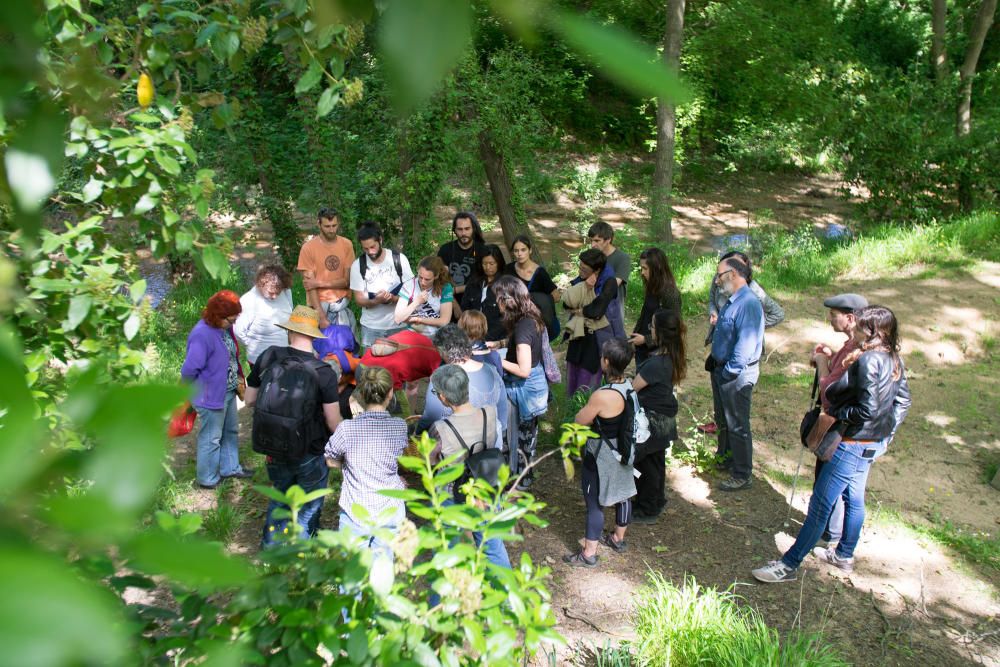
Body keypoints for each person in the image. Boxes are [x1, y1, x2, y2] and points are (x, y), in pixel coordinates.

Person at [752, 305, 911, 583]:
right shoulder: (893, 358)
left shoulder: (869, 360)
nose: (856, 329)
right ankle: (844, 555)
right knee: (854, 498)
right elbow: (902, 401)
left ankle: (788, 565)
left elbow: (867, 410)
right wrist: (884, 435)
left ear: (871, 331)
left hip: (851, 443)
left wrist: (839, 415)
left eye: (860, 326)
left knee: (821, 504)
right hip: (868, 443)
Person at [244, 306, 340, 546]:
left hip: (272, 445)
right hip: (309, 450)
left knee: (280, 496)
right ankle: (303, 552)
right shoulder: (324, 372)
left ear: (290, 332)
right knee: (309, 503)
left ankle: (271, 551)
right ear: (314, 335)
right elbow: (332, 422)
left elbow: (249, 400)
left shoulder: (268, 356)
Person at [428, 364, 511, 569]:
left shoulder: (440, 428)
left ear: (443, 398)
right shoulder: (489, 413)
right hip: (486, 487)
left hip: (453, 494)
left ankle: (447, 594)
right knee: (493, 546)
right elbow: (496, 445)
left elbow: (431, 462)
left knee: (447, 549)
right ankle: (507, 597)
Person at [563, 339, 637, 567]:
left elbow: (580, 420)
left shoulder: (603, 395)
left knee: (594, 502)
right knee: (624, 493)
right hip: (625, 450)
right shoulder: (630, 386)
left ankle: (589, 553)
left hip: (602, 454)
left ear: (606, 362)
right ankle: (618, 538)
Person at [325, 366, 408, 560]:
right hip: (390, 508)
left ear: (362, 393)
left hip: (356, 508)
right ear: (390, 393)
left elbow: (330, 459)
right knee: (383, 570)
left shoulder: (346, 429)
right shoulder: (400, 427)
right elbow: (399, 458)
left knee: (351, 576)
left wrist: (347, 464)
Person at [698, 250, 784, 435]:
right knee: (721, 400)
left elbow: (777, 314)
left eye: (735, 265)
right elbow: (712, 301)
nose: (719, 278)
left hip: (739, 356)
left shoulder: (752, 291)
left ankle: (732, 448)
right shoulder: (719, 280)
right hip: (720, 349)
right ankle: (720, 431)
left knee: (737, 415)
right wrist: (715, 314)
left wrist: (751, 325)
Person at [809, 293, 868, 549]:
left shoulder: (857, 351)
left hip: (842, 427)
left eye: (834, 315)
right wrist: (830, 356)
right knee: (848, 488)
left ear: (851, 318)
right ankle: (834, 536)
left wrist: (822, 363)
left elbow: (830, 392)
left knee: (833, 484)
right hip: (847, 428)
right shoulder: (850, 344)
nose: (830, 319)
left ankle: (828, 534)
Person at [181, 290, 253, 489]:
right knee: (211, 438)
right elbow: (189, 369)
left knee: (230, 430)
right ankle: (207, 478)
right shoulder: (202, 334)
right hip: (209, 395)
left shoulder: (223, 329)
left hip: (227, 390)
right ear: (217, 316)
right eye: (231, 320)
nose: (234, 324)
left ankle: (230, 468)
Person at [709, 256, 764, 491]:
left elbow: (745, 345)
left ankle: (742, 474)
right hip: (724, 369)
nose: (717, 281)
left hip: (737, 374)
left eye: (719, 276)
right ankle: (728, 459)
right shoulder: (734, 300)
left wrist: (729, 372)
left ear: (732, 274)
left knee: (738, 424)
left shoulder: (748, 303)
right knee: (726, 420)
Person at [493, 275, 549, 489]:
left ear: (508, 300)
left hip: (522, 390)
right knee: (527, 437)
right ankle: (523, 478)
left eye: (498, 299)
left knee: (516, 438)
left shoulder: (523, 326)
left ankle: (516, 484)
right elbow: (519, 345)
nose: (496, 303)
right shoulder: (529, 317)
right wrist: (498, 343)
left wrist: (497, 358)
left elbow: (523, 369)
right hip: (533, 390)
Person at [631, 310, 686, 522]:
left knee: (646, 465)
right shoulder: (671, 355)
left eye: (652, 327)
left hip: (652, 422)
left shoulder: (655, 364)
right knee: (656, 463)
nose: (649, 330)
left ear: (660, 333)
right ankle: (655, 499)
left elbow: (633, 388)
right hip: (664, 419)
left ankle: (647, 508)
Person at [416, 325, 507, 449]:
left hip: (456, 449)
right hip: (490, 443)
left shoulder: (441, 378)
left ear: (442, 351)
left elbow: (431, 417)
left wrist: (417, 434)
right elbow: (502, 414)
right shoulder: (491, 371)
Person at [564, 248, 620, 396]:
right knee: (573, 371)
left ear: (597, 270)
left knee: (588, 375)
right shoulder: (582, 280)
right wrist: (585, 286)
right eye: (580, 267)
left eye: (584, 269)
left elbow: (596, 311)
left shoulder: (610, 282)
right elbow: (566, 303)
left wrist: (579, 311)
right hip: (579, 334)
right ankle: (572, 408)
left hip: (597, 337)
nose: (580, 271)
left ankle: (587, 408)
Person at [349, 221, 414, 348]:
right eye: (365, 249)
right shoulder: (358, 265)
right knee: (371, 367)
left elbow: (412, 293)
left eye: (373, 247)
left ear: (380, 240)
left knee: (400, 365)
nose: (370, 252)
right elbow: (359, 299)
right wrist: (377, 300)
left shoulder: (399, 259)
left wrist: (393, 299)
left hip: (398, 325)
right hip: (371, 327)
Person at [297, 207, 356, 330]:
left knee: (345, 348)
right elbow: (310, 287)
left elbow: (347, 282)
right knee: (320, 348)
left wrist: (318, 283)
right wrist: (321, 317)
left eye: (334, 225)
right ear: (319, 224)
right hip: (318, 307)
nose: (332, 230)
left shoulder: (346, 245)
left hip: (341, 305)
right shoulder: (308, 248)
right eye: (327, 226)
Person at [629, 248, 682, 366]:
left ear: (657, 268)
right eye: (641, 268)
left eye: (645, 268)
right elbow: (645, 314)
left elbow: (674, 329)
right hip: (642, 348)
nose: (642, 272)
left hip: (658, 354)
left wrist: (646, 339)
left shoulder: (670, 294)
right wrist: (634, 336)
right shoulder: (652, 286)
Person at [234, 264, 294, 365]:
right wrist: (253, 344)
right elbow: (238, 331)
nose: (275, 296)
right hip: (260, 359)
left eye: (278, 293)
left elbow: (291, 314)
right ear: (261, 284)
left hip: (284, 355)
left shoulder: (286, 292)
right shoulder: (249, 300)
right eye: (271, 292)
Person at [503, 234, 561, 339]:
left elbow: (556, 296)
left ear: (530, 250)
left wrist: (535, 300)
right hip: (515, 319)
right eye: (516, 251)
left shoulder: (540, 273)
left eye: (523, 250)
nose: (519, 254)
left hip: (536, 323)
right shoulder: (508, 270)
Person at [438, 211, 487, 316]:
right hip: (449, 301)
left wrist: (457, 289)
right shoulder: (445, 250)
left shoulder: (483, 250)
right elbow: (441, 279)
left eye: (467, 229)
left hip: (476, 303)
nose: (463, 233)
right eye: (460, 229)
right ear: (454, 230)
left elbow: (485, 280)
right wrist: (455, 305)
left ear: (473, 229)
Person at [394, 255, 454, 337]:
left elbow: (444, 321)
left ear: (436, 276)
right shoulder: (409, 285)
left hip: (436, 336)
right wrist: (416, 302)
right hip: (414, 336)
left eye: (427, 279)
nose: (423, 282)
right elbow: (398, 318)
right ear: (417, 272)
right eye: (420, 277)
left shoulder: (445, 288)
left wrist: (418, 319)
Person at [461, 244, 507, 345]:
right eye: (484, 263)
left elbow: (506, 318)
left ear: (498, 263)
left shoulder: (506, 284)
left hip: (496, 340)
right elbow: (465, 309)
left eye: (491, 263)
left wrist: (486, 339)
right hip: (471, 337)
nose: (487, 267)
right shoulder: (474, 282)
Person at [588, 221, 630, 331]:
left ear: (608, 240)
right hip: (591, 309)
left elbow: (613, 285)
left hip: (612, 311)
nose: (593, 245)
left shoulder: (622, 258)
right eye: (591, 240)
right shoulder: (592, 257)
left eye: (597, 240)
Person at [458, 310, 503, 376]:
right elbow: (500, 377)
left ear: (461, 326)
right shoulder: (494, 355)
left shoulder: (456, 355)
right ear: (484, 327)